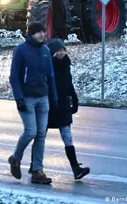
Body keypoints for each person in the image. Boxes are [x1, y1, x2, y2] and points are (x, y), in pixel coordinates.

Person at [8, 21, 57, 184]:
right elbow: (14, 77)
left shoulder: (45, 50)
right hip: (27, 98)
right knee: (31, 131)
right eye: (38, 32)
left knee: (41, 134)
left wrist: (54, 98)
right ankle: (15, 159)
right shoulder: (21, 50)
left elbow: (50, 76)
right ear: (31, 34)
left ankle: (37, 170)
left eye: (43, 31)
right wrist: (19, 98)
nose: (42, 34)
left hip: (43, 98)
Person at [46, 38, 91, 180]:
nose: (61, 53)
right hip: (48, 105)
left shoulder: (66, 64)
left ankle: (76, 168)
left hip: (63, 105)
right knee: (40, 137)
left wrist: (74, 99)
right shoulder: (47, 66)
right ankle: (34, 166)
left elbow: (68, 83)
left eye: (63, 50)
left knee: (68, 138)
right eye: (58, 51)